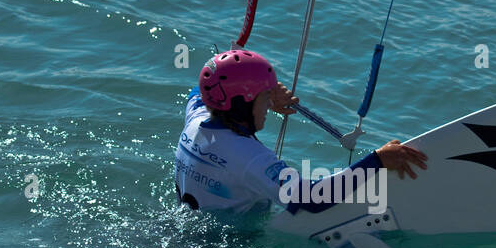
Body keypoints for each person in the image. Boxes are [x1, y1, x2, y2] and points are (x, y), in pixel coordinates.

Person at [174, 48, 427, 214]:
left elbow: (198, 90)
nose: (267, 106)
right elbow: (312, 198)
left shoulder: (195, 119)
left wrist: (267, 94)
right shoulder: (250, 158)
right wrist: (378, 160)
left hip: (182, 229)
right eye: (264, 99)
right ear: (244, 103)